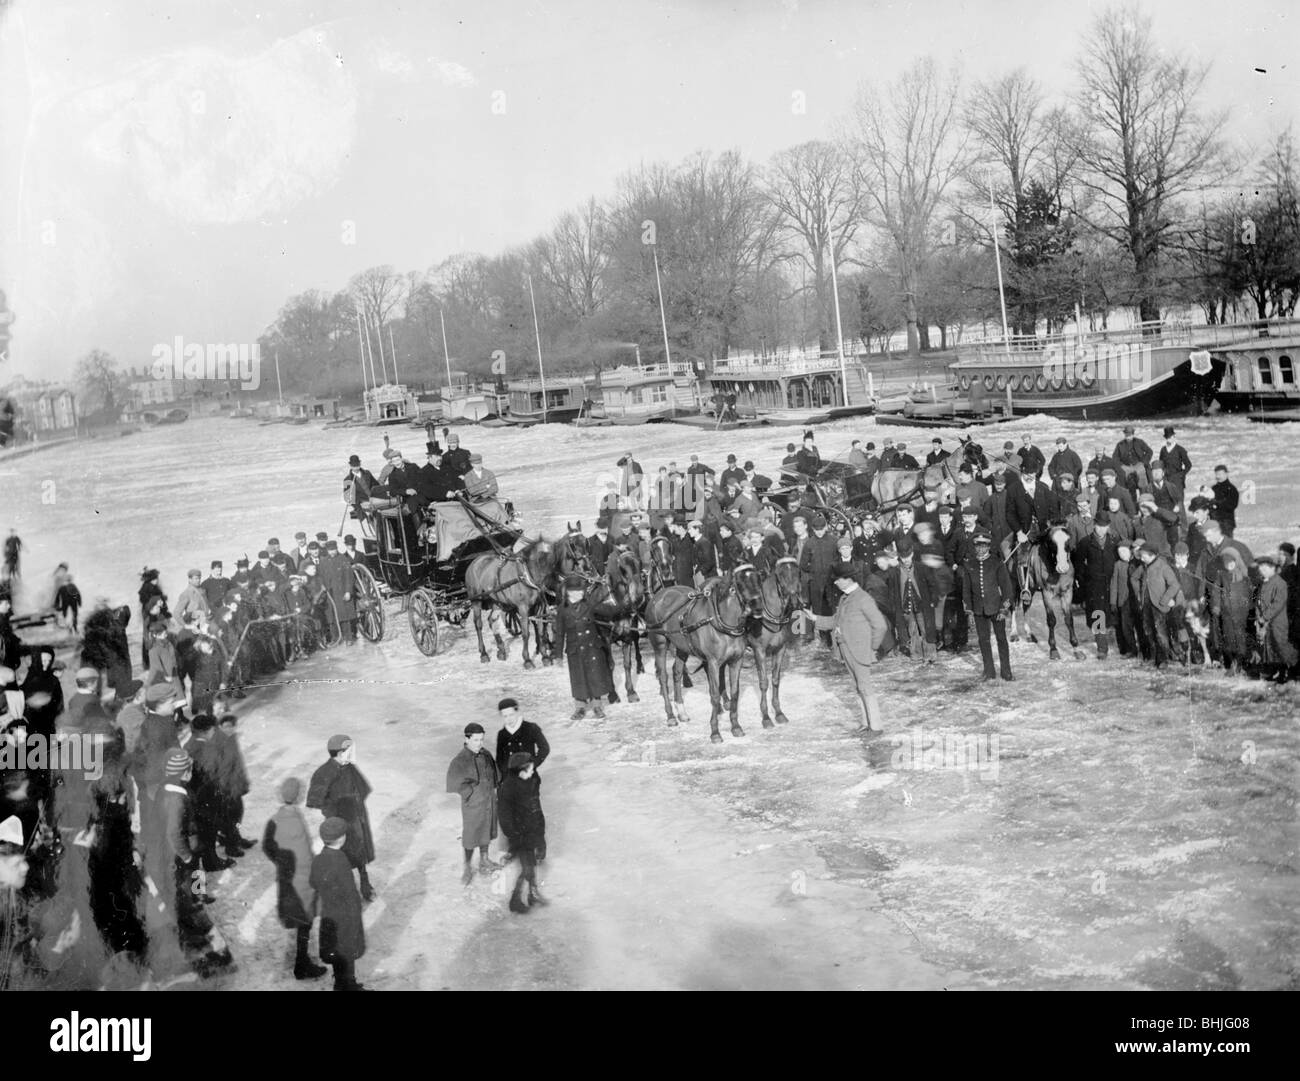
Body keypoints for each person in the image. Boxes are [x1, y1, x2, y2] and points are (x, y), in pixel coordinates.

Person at [263, 777, 327, 980]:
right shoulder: (297, 820)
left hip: (287, 879)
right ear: (299, 797)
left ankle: (301, 961)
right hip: (302, 883)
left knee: (298, 920)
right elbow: (305, 855)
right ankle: (302, 964)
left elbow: (267, 846)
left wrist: (281, 863)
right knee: (305, 923)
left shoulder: (274, 820)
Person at [306, 735, 376, 902]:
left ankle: (365, 885)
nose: (354, 752)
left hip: (356, 819)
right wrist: (334, 815)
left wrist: (356, 806)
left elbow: (363, 789)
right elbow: (315, 800)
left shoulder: (350, 767)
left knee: (360, 853)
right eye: (350, 749)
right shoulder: (323, 773)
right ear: (340, 752)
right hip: (339, 822)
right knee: (340, 857)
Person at [310, 817, 367, 991]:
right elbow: (350, 892)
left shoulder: (319, 858)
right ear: (342, 838)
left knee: (336, 950)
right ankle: (347, 985)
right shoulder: (341, 859)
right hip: (345, 916)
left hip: (329, 913)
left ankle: (340, 982)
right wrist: (357, 910)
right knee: (347, 952)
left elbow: (313, 882)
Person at [831, 564, 889, 734]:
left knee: (865, 687)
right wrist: (814, 618)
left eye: (837, 579)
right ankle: (866, 722)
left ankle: (876, 726)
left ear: (848, 579)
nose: (835, 583)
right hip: (846, 649)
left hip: (859, 651)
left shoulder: (863, 598)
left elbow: (880, 626)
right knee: (858, 686)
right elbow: (835, 621)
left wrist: (872, 648)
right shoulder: (845, 598)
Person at [445, 723, 501, 885]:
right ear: (467, 739)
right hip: (474, 804)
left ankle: (484, 860)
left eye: (482, 740)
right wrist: (470, 794)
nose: (480, 743)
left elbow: (495, 774)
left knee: (487, 829)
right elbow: (455, 782)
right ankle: (468, 867)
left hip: (489, 800)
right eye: (476, 740)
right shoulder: (460, 760)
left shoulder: (486, 754)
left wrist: (493, 790)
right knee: (471, 834)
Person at [552, 574, 614, 718]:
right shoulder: (562, 610)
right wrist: (558, 655)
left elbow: (608, 611)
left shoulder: (589, 604)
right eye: (577, 591)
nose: (581, 592)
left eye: (581, 590)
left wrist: (623, 606)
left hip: (592, 647)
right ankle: (580, 707)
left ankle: (597, 706)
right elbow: (560, 634)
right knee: (578, 678)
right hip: (575, 650)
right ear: (568, 592)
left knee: (594, 676)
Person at [498, 752, 548, 915]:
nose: (533, 772)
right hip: (519, 835)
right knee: (527, 867)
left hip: (532, 831)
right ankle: (515, 900)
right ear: (520, 771)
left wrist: (540, 833)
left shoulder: (530, 783)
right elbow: (505, 817)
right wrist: (514, 835)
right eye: (530, 769)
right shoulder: (508, 788)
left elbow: (536, 809)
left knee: (530, 865)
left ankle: (532, 894)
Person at [963, 530, 1014, 682]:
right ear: (974, 547)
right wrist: (969, 611)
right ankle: (989, 671)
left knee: (1001, 640)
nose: (981, 549)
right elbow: (966, 591)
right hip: (979, 610)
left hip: (996, 609)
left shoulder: (997, 563)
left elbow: (1007, 589)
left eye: (984, 546)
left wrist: (1004, 609)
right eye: (978, 546)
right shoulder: (969, 564)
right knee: (983, 641)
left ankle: (1006, 672)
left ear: (989, 546)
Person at [1255, 556, 1296, 682]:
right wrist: (1258, 617)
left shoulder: (1280, 583)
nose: (1262, 570)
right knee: (1270, 646)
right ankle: (1276, 670)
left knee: (1280, 644)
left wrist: (1265, 617)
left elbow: (1278, 603)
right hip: (1266, 621)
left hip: (1277, 621)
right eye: (1260, 568)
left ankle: (1289, 669)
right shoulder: (1264, 583)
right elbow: (1259, 602)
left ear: (1273, 568)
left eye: (1265, 568)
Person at [1157, 426, 1192, 491]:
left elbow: (1188, 465)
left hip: (1177, 480)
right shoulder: (1163, 450)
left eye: (1170, 437)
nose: (1168, 439)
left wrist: (1181, 474)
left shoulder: (1180, 450)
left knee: (1178, 500)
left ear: (1174, 437)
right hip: (1166, 479)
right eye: (1167, 438)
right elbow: (1160, 464)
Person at [1210, 465, 1239, 538]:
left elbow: (1232, 505)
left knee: (1226, 545)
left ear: (1226, 474)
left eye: (1220, 474)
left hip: (1226, 523)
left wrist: (1217, 503)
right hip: (1213, 522)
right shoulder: (1214, 488)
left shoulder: (1232, 489)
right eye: (1216, 474)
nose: (1218, 476)